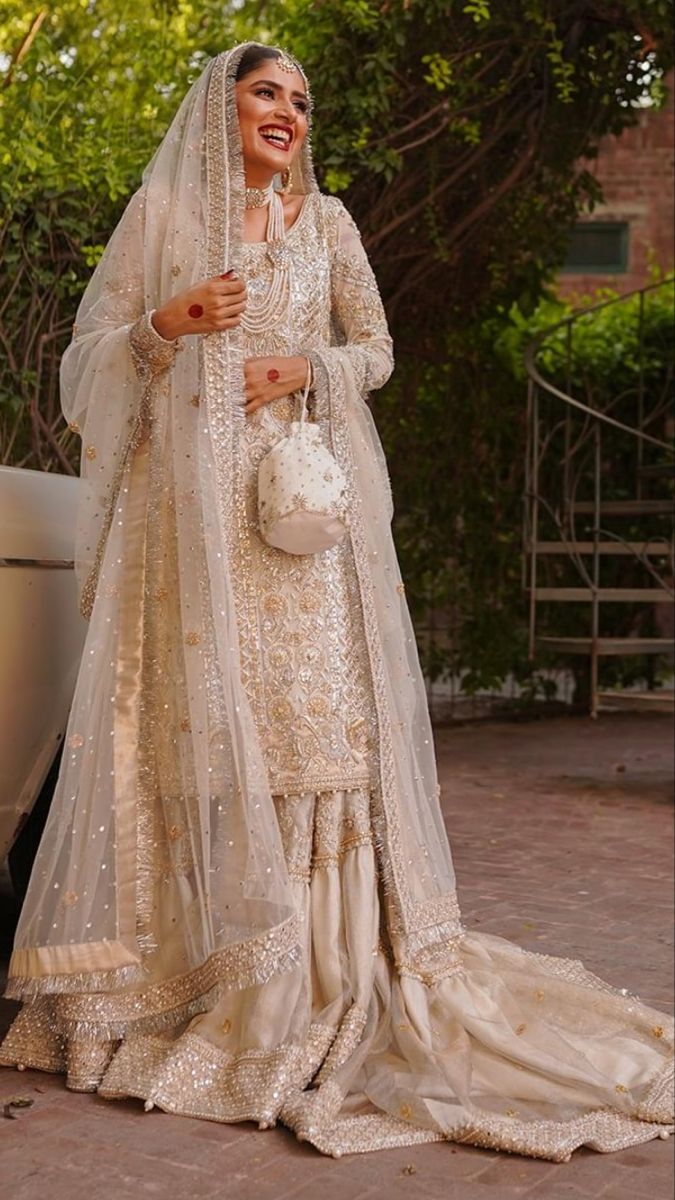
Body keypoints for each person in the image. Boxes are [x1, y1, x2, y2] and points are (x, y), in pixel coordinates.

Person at [1, 42, 672, 1161]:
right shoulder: (164, 213)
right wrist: (167, 325)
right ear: (221, 103)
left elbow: (380, 350)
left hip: (302, 533)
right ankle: (210, 975)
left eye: (302, 102)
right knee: (221, 742)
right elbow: (87, 365)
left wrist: (300, 368)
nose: (289, 113)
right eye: (268, 92)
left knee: (321, 737)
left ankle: (324, 975)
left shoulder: (331, 226)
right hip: (196, 542)